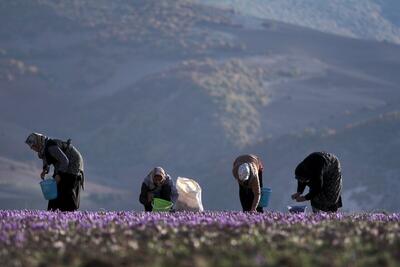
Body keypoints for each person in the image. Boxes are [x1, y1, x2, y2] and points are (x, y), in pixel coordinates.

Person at [25, 133, 84, 211]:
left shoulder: (50, 147)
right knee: (56, 188)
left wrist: (59, 175)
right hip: (63, 165)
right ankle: (54, 212)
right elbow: (46, 158)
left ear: (37, 143)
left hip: (73, 163)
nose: (32, 149)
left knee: (66, 186)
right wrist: (45, 169)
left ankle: (68, 213)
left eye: (33, 146)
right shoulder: (43, 148)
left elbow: (65, 161)